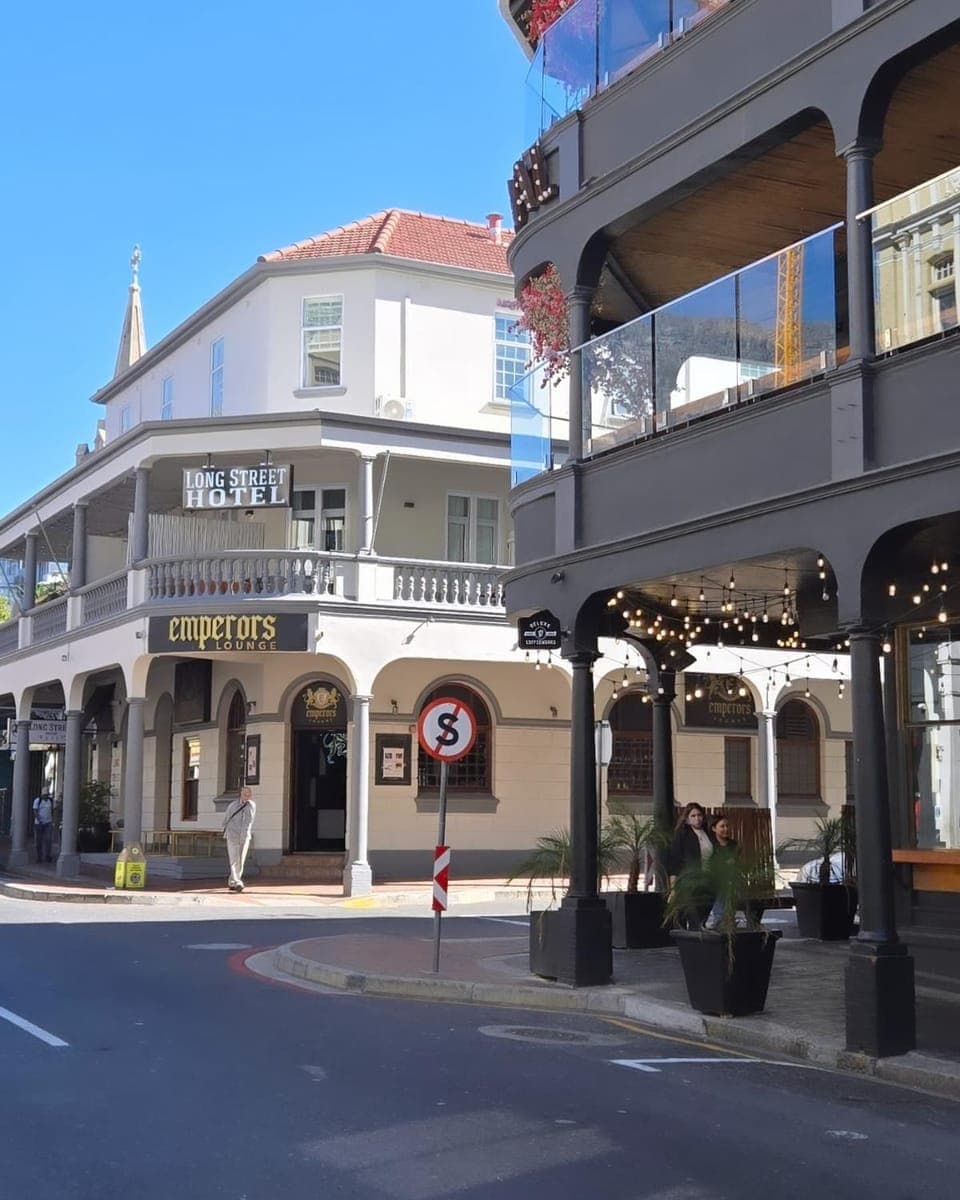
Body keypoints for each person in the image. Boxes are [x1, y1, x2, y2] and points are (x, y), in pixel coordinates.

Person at [667, 803, 714, 929]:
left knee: (704, 910)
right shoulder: (682, 835)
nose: (697, 818)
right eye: (693, 816)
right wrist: (673, 887)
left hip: (708, 879)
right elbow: (674, 861)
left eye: (699, 815)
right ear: (687, 819)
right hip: (689, 880)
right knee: (693, 914)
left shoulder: (708, 834)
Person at [704, 814, 741, 930]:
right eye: (722, 826)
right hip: (713, 880)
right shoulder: (710, 845)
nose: (726, 829)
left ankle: (724, 919)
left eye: (727, 826)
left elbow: (735, 864)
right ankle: (721, 919)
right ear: (714, 828)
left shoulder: (733, 845)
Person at [222, 785, 256, 892]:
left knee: (241, 860)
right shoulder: (232, 806)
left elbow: (251, 820)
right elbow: (226, 819)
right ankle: (237, 881)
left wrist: (246, 833)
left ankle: (232, 882)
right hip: (232, 835)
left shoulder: (252, 806)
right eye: (245, 793)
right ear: (240, 794)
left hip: (245, 836)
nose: (247, 796)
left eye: (249, 794)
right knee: (234, 859)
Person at [32, 791, 55, 863]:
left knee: (48, 839)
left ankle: (47, 855)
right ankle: (39, 857)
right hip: (39, 823)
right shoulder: (37, 801)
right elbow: (35, 811)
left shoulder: (50, 801)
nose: (46, 796)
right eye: (44, 795)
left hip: (48, 823)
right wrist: (39, 820)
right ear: (42, 795)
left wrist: (52, 820)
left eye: (47, 795)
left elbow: (53, 810)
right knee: (39, 840)